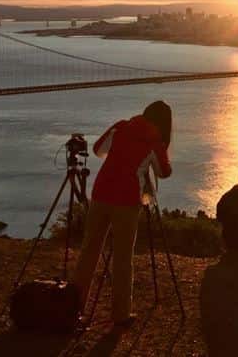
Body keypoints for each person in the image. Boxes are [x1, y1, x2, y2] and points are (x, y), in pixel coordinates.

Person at [72, 100, 172, 327]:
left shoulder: (121, 126)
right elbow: (164, 172)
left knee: (89, 250)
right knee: (122, 258)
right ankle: (120, 315)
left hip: (101, 193)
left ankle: (73, 307)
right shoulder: (154, 141)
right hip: (126, 201)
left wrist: (121, 157)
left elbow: (98, 150)